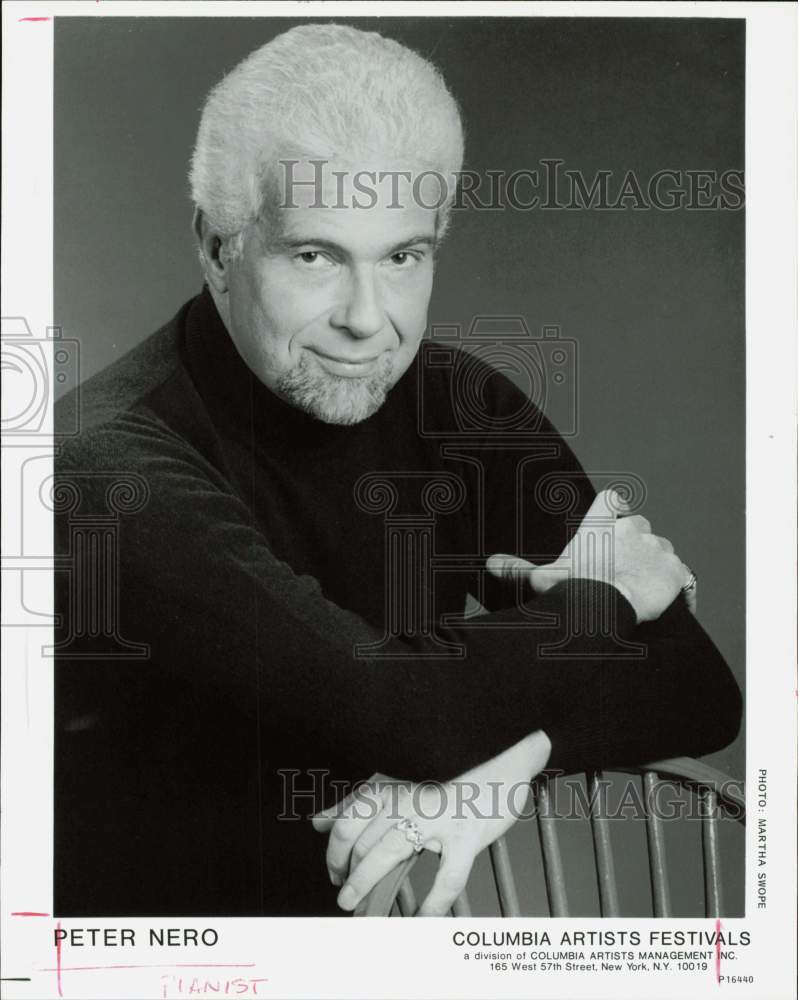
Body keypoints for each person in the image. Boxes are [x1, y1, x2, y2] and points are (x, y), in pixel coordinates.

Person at [53, 23, 741, 918]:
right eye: (315, 256)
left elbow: (696, 686)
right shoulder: (107, 463)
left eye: (403, 257)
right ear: (218, 247)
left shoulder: (455, 406)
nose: (368, 320)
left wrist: (502, 765)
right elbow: (384, 706)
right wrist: (607, 596)